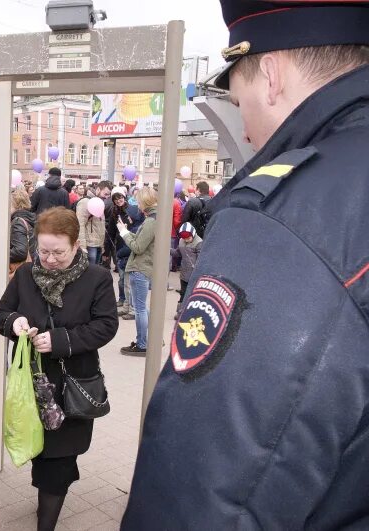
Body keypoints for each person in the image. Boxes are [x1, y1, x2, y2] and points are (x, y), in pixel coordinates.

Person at [123, 2, 369, 528]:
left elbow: (204, 489)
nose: (249, 132)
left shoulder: (283, 218)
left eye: (238, 102)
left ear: (272, 76)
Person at [0, 207, 118, 531]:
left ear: (76, 245)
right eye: (43, 250)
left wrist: (60, 340)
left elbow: (106, 326)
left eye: (57, 252)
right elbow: (0, 313)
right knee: (39, 451)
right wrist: (14, 322)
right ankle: (53, 489)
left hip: (71, 385)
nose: (48, 259)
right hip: (32, 386)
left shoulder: (97, 278)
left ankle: (45, 520)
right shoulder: (24, 275)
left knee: (57, 461)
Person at [116, 187, 157, 355]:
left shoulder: (150, 221)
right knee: (141, 307)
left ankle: (143, 343)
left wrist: (124, 234)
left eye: (138, 201)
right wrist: (125, 231)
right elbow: (141, 242)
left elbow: (138, 247)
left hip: (140, 267)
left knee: (139, 308)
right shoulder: (155, 219)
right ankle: (152, 338)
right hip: (145, 266)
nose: (136, 204)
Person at [170, 222, 202, 320]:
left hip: (195, 274)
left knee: (193, 294)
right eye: (184, 238)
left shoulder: (199, 243)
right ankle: (180, 312)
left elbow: (201, 259)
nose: (186, 240)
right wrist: (169, 249)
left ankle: (192, 313)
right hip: (184, 273)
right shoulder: (181, 241)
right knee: (183, 293)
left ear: (193, 234)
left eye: (188, 238)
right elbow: (177, 253)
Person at [8, 187, 36, 278]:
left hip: (21, 270)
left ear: (18, 205)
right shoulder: (29, 218)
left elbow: (20, 251)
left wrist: (1, 254)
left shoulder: (17, 221)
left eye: (10, 205)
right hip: (31, 267)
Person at [75, 190, 106, 265]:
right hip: (90, 243)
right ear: (98, 189)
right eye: (106, 193)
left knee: (95, 268)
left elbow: (101, 225)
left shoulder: (100, 202)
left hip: (98, 243)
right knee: (89, 269)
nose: (107, 196)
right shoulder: (85, 202)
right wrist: (82, 245)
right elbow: (80, 224)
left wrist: (102, 246)